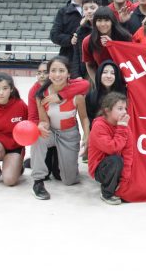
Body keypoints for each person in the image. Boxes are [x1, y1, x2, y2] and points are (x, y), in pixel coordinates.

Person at [32, 56, 91, 200]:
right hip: (52, 132)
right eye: (53, 70)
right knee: (38, 137)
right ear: (48, 73)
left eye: (61, 71)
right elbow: (44, 120)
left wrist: (87, 136)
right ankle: (38, 181)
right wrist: (41, 126)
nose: (57, 75)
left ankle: (59, 162)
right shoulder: (41, 95)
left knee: (69, 180)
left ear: (68, 73)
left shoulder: (77, 95)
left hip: (69, 134)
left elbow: (83, 117)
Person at [88, 92, 134, 205]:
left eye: (125, 108)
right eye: (120, 108)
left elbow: (128, 153)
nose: (124, 112)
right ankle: (107, 193)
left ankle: (118, 183)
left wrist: (124, 180)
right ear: (107, 110)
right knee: (115, 160)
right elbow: (112, 149)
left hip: (118, 165)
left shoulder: (125, 127)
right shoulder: (99, 126)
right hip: (101, 169)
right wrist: (122, 128)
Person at [50, 0, 90, 78]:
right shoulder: (63, 12)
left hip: (91, 58)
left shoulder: (97, 9)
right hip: (70, 59)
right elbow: (54, 35)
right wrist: (70, 39)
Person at [82, 7, 132, 83]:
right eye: (99, 20)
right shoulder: (88, 41)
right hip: (103, 81)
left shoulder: (125, 37)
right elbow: (90, 65)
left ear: (112, 21)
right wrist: (98, 82)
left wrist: (113, 46)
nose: (102, 24)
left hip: (125, 80)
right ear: (94, 22)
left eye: (106, 20)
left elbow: (132, 59)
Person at [85, 60, 127, 126]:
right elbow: (90, 121)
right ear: (99, 74)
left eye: (113, 73)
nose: (108, 76)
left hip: (122, 130)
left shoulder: (125, 93)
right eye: (105, 72)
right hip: (101, 133)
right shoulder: (91, 97)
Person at [71, 0, 101, 79]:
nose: (89, 11)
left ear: (99, 8)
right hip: (85, 73)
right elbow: (77, 55)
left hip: (103, 71)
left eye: (92, 8)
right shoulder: (80, 30)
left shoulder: (106, 27)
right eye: (85, 9)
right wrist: (77, 75)